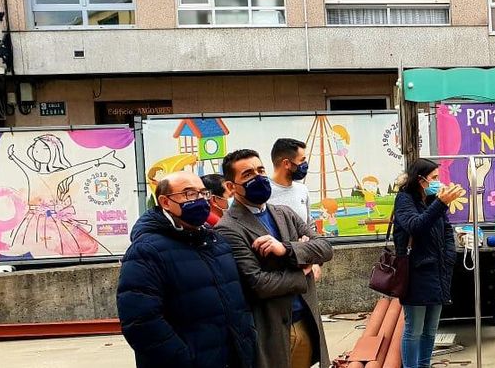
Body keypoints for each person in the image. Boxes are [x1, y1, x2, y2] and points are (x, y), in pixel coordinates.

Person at [117, 171, 257, 368]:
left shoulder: (217, 243)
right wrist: (184, 360)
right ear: (165, 202)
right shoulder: (145, 251)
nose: (199, 199)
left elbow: (238, 302)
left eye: (202, 193)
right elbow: (141, 323)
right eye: (189, 194)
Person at [216, 149, 334, 368]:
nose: (258, 178)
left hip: (305, 321)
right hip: (271, 332)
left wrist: (287, 249)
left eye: (260, 170)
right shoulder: (228, 228)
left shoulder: (284, 213)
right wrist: (304, 269)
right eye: (248, 175)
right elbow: (259, 284)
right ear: (231, 187)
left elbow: (325, 249)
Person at [393, 159, 465, 368]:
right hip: (415, 272)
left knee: (431, 329)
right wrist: (441, 203)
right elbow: (416, 226)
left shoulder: (433, 199)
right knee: (414, 329)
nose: (437, 181)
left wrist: (449, 257)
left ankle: (424, 365)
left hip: (438, 270)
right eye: (434, 178)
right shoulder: (405, 199)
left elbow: (447, 231)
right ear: (420, 180)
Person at [269, 138, 311, 224]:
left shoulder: (302, 189)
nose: (305, 164)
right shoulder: (264, 192)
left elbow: (309, 225)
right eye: (302, 160)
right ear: (286, 163)